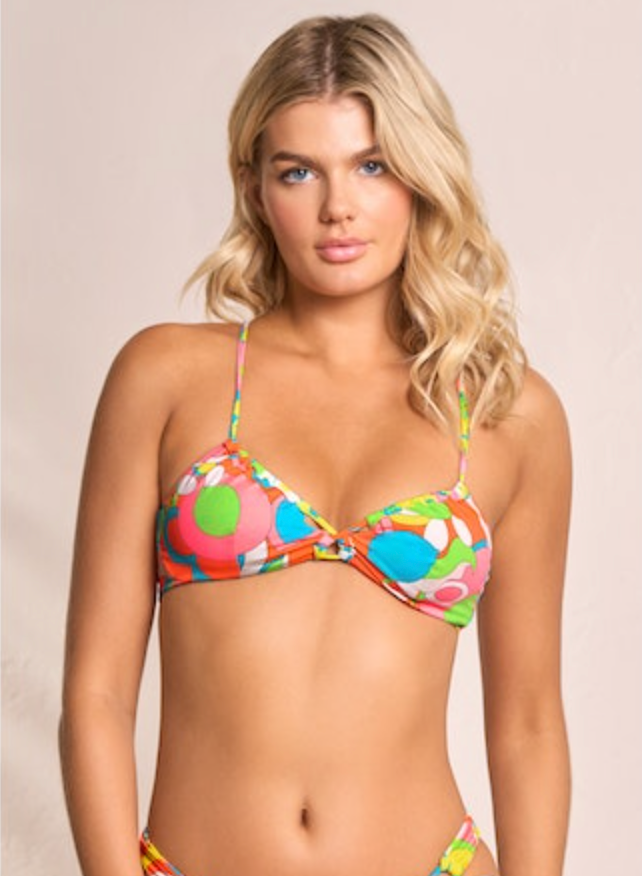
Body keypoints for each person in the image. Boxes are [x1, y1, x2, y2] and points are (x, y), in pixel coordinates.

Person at [59, 14, 572, 876]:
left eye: (373, 165)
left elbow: (527, 722)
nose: (338, 207)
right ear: (255, 187)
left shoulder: (505, 414)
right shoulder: (166, 379)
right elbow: (97, 694)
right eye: (299, 171)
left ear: (420, 175)